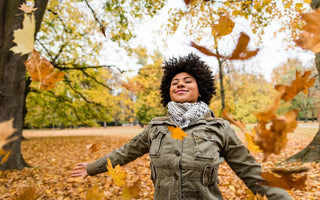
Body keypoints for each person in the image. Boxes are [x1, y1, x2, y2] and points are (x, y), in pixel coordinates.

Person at [71, 53, 292, 200]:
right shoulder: (156, 127)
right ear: (168, 91)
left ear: (201, 89)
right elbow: (124, 153)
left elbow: (252, 173)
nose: (180, 84)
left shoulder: (219, 128)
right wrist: (92, 167)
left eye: (187, 81)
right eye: (175, 82)